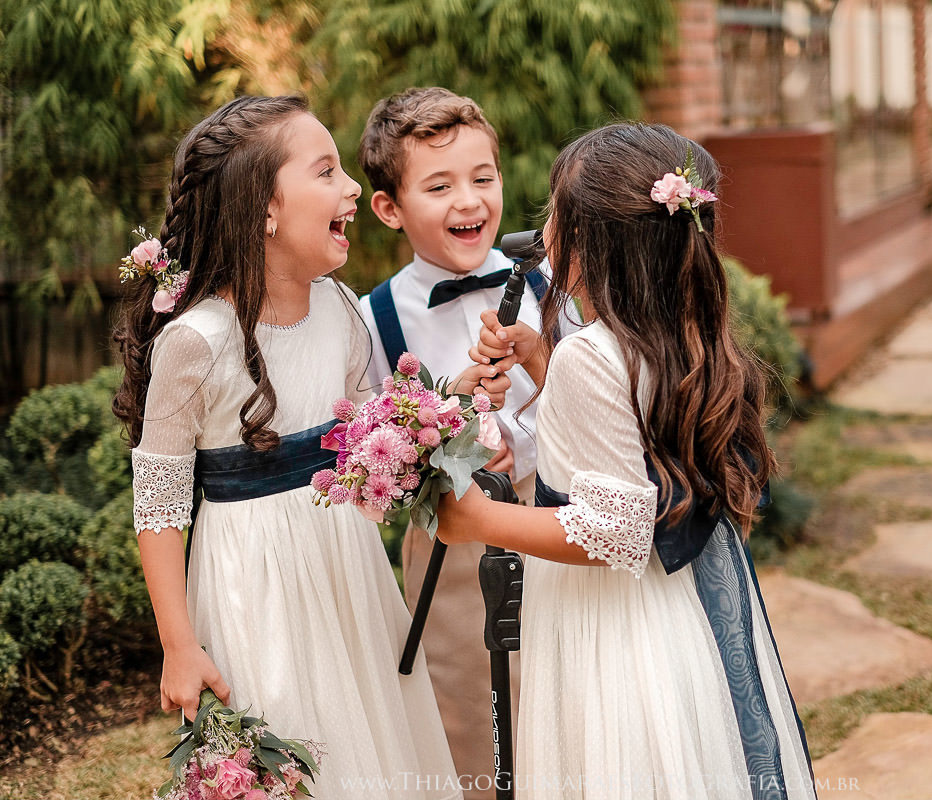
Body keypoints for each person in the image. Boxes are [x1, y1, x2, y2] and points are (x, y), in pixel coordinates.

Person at [438, 122, 820, 800]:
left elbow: (617, 530)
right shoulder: (672, 331)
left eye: (555, 210)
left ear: (585, 242)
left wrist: (477, 519)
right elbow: (629, 445)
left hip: (612, 628)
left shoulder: (593, 354)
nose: (545, 225)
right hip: (675, 613)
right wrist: (541, 358)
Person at [113, 95, 461, 800]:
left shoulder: (337, 307)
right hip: (254, 580)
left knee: (373, 733)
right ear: (264, 210)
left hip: (346, 567)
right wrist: (180, 646)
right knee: (294, 737)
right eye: (327, 171)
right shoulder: (196, 343)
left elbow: (366, 428)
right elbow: (158, 508)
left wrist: (421, 434)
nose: (352, 188)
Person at [355, 87, 546, 796]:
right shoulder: (375, 318)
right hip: (450, 540)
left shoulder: (546, 286)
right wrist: (447, 416)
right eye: (439, 186)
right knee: (467, 704)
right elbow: (373, 460)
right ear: (389, 208)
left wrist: (524, 420)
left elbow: (586, 407)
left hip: (546, 515)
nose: (468, 201)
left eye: (482, 178)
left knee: (559, 690)